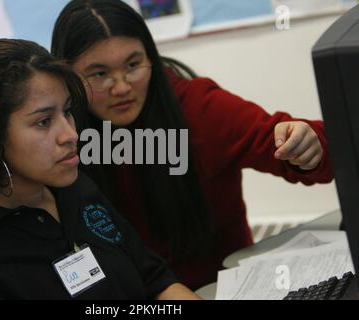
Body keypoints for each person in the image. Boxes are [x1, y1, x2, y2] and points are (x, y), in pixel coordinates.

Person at [51, 0, 334, 290]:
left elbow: (301, 145)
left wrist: (311, 143)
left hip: (221, 288)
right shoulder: (61, 136)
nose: (122, 87)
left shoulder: (198, 107)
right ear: (67, 77)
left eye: (133, 65)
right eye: (99, 74)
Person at [0, 38, 200, 299]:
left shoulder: (78, 189)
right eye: (44, 121)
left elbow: (155, 280)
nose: (71, 135)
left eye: (67, 112)